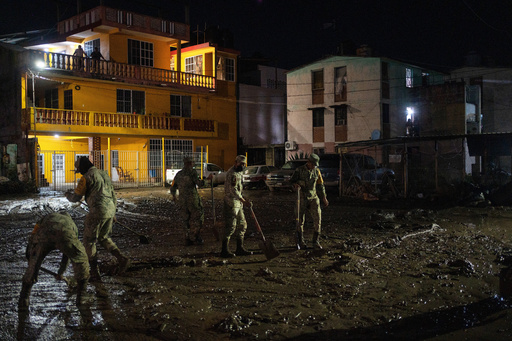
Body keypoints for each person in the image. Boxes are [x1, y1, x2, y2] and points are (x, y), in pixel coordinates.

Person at [65, 156, 130, 280]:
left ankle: (94, 272)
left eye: (79, 170)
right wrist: (113, 213)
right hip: (110, 210)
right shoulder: (104, 174)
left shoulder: (86, 178)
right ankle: (122, 259)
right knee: (103, 237)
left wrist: (68, 195)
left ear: (82, 167)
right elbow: (113, 194)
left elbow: (76, 198)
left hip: (97, 212)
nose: (80, 172)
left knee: (89, 241)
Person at [19, 212, 90, 309]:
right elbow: (68, 256)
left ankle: (24, 298)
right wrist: (61, 272)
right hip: (64, 234)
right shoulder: (72, 225)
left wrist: (30, 257)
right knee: (81, 258)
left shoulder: (46, 217)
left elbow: (33, 235)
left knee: (33, 265)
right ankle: (81, 296)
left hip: (43, 235)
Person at [290, 153, 329, 250]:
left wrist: (324, 198)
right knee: (299, 220)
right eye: (313, 164)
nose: (314, 167)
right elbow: (291, 181)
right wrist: (295, 185)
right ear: (308, 162)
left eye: (315, 165)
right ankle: (300, 241)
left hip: (313, 197)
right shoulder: (299, 171)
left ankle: (315, 241)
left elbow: (320, 185)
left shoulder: (317, 172)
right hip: (301, 198)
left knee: (318, 219)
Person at [221, 155, 252, 258]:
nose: (243, 166)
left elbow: (240, 189)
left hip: (238, 203)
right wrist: (243, 200)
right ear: (236, 163)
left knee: (243, 225)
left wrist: (244, 199)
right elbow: (233, 190)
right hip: (231, 203)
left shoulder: (239, 172)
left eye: (244, 164)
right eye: (241, 164)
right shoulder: (232, 174)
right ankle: (224, 250)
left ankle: (240, 248)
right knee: (231, 227)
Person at [170, 156, 205, 245]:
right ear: (190, 163)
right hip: (192, 200)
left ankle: (187, 238)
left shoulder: (179, 174)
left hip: (182, 200)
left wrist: (174, 196)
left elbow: (173, 186)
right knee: (198, 217)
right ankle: (196, 237)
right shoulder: (192, 173)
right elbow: (199, 184)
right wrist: (207, 180)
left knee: (185, 219)